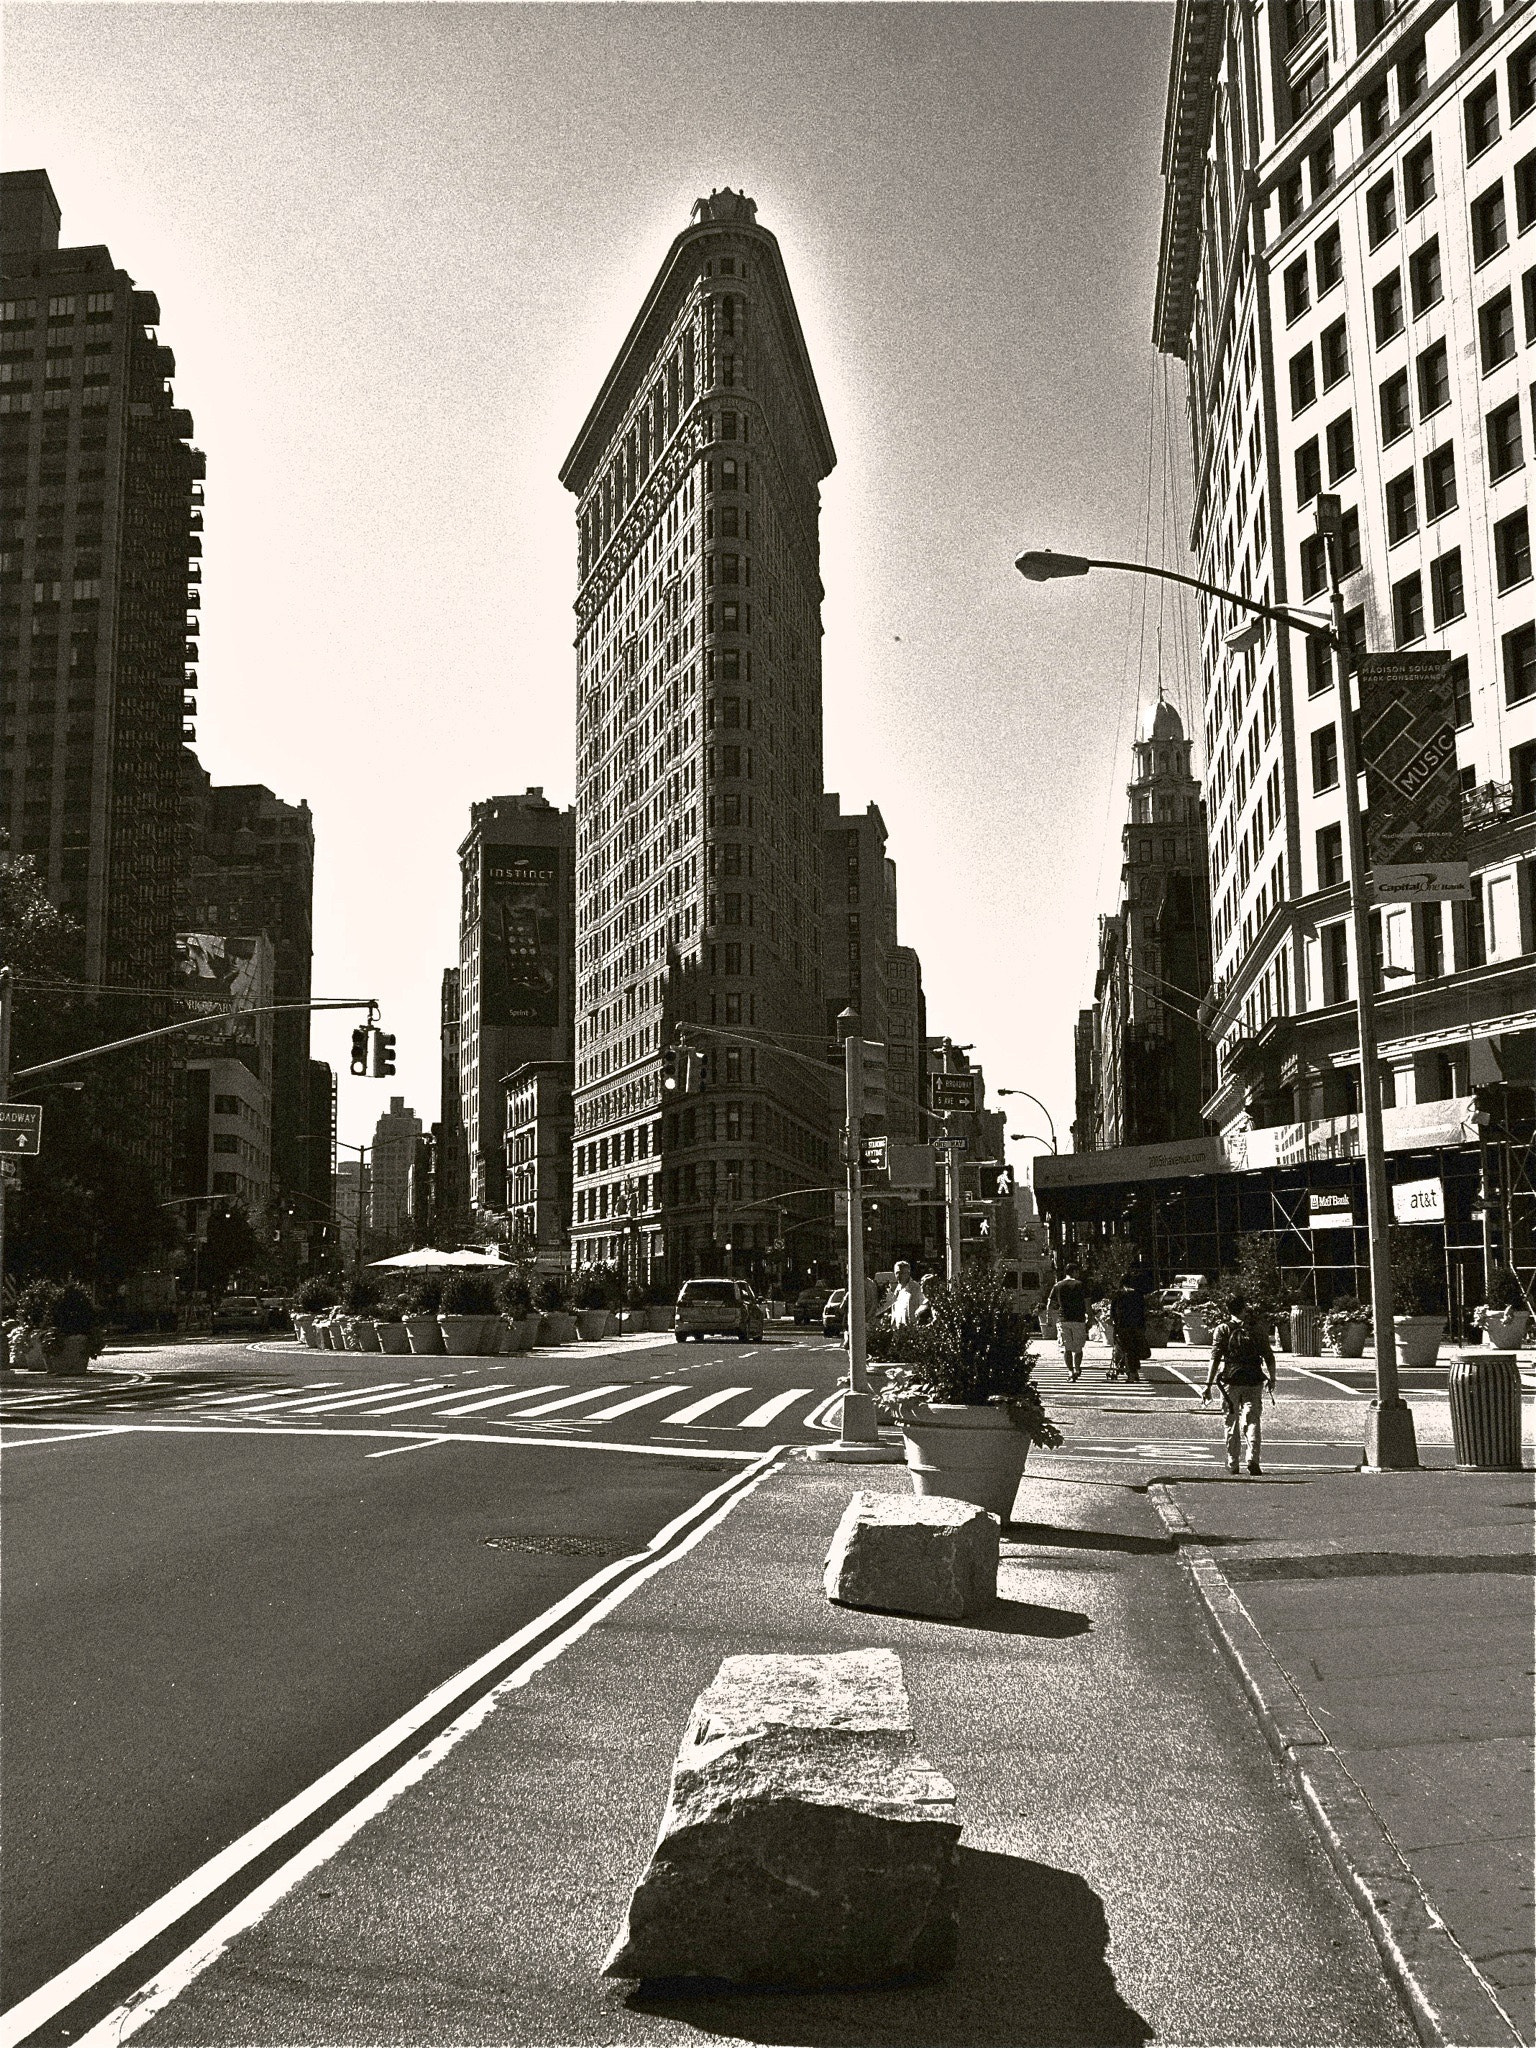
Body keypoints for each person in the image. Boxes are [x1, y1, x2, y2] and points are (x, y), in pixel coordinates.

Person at [1203, 1293, 1276, 1474]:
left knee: (1231, 1421)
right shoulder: (1257, 1329)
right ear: (1245, 1308)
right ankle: (1253, 1458)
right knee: (1253, 1419)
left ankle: (1232, 1461)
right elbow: (1269, 1356)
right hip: (1253, 1379)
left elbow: (1215, 1358)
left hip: (1230, 1381)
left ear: (1228, 1309)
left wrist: (1208, 1384)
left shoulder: (1222, 1330)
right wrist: (1272, 1378)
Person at [1045, 1264, 1088, 1382]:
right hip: (1078, 1319)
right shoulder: (1080, 1285)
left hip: (1063, 1319)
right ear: (1074, 1272)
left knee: (1067, 1348)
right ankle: (1077, 1369)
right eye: (1077, 1272)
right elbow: (1087, 1302)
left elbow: (1050, 1304)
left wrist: (1048, 1319)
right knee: (1078, 1348)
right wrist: (1090, 1316)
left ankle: (1070, 1371)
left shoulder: (1057, 1286)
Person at [1106, 1270, 1149, 1383]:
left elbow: (1113, 1312)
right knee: (1134, 1348)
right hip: (1137, 1325)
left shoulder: (1118, 1294)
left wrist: (1114, 1323)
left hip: (1123, 1325)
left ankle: (1131, 1374)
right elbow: (1143, 1311)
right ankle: (1134, 1372)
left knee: (1127, 1349)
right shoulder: (1138, 1294)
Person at [888, 1260, 921, 1330]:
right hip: (899, 1333)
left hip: (912, 1332)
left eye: (902, 1273)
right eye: (897, 1273)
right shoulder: (897, 1290)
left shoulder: (916, 1289)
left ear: (908, 1273)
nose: (899, 1276)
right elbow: (894, 1313)